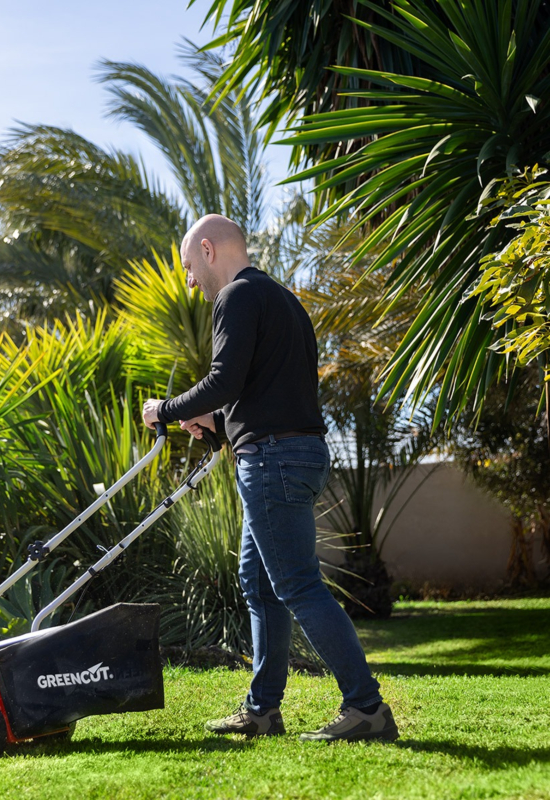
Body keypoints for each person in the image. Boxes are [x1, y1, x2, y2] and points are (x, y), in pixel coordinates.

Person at [142, 214, 399, 742]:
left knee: (297, 584)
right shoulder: (285, 301)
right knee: (259, 583)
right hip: (295, 452)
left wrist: (164, 409)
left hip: (272, 461)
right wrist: (217, 423)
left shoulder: (235, 296)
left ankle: (367, 708)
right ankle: (262, 711)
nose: (189, 280)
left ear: (209, 250)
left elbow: (223, 380)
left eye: (189, 266)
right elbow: (265, 393)